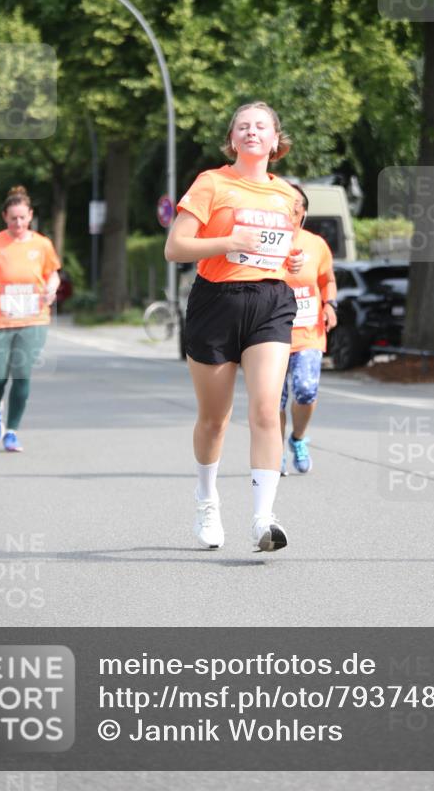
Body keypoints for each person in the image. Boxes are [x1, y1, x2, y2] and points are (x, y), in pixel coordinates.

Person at [165, 101, 303, 553]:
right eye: (243, 126)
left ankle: (264, 519)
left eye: (261, 126)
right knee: (214, 419)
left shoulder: (287, 196)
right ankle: (207, 500)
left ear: (275, 139)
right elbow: (175, 247)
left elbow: (284, 249)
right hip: (217, 302)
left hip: (271, 302)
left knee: (265, 410)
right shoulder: (212, 182)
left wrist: (293, 260)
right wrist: (228, 242)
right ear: (232, 138)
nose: (251, 131)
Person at [0, 186, 60, 452]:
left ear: (30, 215)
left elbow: (53, 274)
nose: (18, 223)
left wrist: (51, 288)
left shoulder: (42, 244)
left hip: (33, 319)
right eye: (13, 218)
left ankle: (12, 432)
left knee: (22, 375)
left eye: (22, 217)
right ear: (4, 217)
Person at [279, 184, 337, 475]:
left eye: (295, 207)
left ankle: (298, 438)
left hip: (308, 333)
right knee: (273, 399)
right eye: (284, 205)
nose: (289, 212)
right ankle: (274, 452)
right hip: (271, 333)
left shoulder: (316, 244)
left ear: (303, 212)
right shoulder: (266, 243)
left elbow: (328, 280)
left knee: (305, 390)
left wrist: (330, 305)